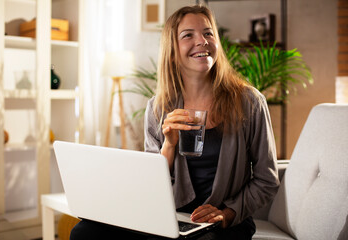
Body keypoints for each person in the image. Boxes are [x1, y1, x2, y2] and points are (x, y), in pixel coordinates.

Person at [70, 5, 279, 240]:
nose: (202, 41)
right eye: (188, 35)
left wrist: (227, 213)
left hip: (225, 224)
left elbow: (266, 180)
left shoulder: (249, 102)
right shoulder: (157, 108)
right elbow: (151, 188)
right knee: (84, 232)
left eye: (208, 33)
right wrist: (168, 145)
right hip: (172, 217)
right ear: (172, 51)